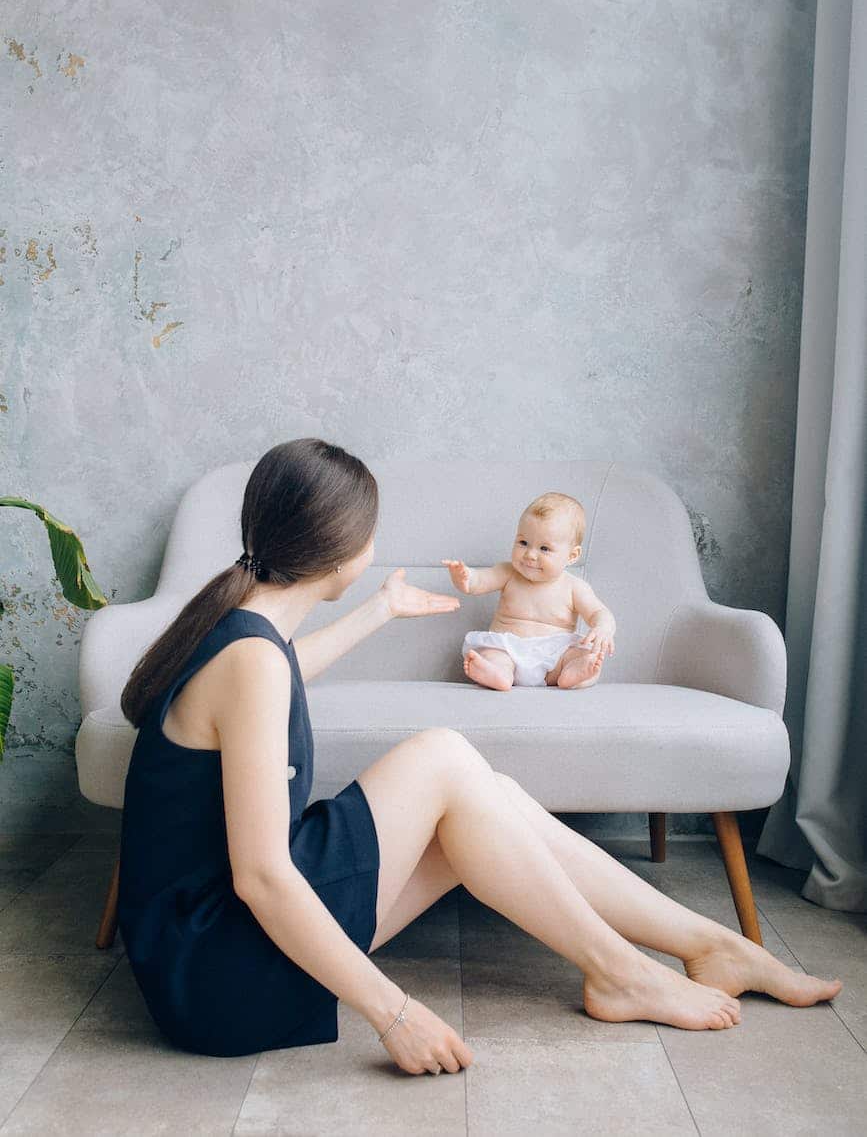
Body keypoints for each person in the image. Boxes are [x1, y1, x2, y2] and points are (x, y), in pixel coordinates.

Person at [117, 438, 842, 1074]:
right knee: (442, 758)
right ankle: (622, 972)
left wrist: (380, 611)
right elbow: (264, 879)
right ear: (344, 552)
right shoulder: (252, 659)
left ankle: (706, 944)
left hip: (208, 952)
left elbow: (277, 673)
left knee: (479, 796)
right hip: (214, 975)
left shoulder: (245, 635)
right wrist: (393, 1011)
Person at [443, 490, 615, 691]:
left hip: (555, 655)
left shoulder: (574, 587)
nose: (530, 555)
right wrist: (464, 577)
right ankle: (498, 674)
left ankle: (575, 672)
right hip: (508, 650)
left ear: (571, 555)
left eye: (544, 549)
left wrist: (603, 628)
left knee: (582, 655)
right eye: (523, 543)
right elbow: (478, 582)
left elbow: (598, 612)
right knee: (494, 655)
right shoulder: (508, 572)